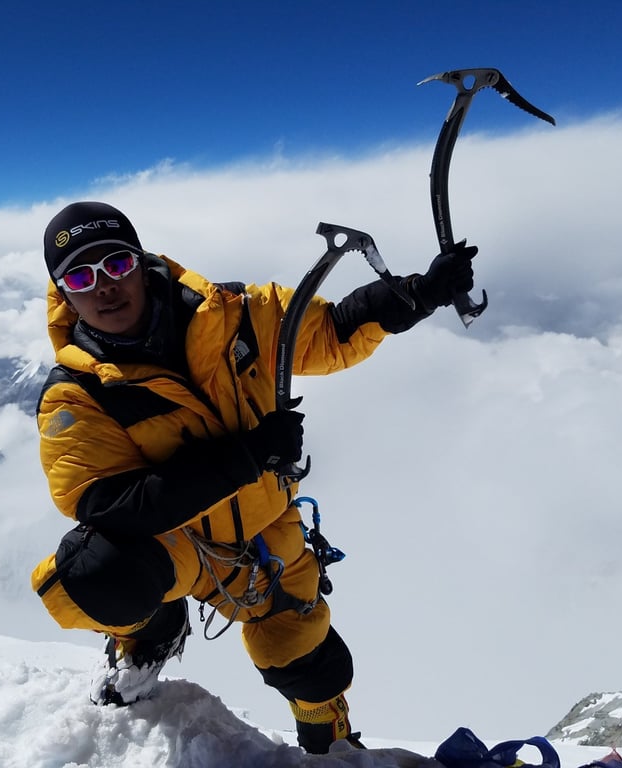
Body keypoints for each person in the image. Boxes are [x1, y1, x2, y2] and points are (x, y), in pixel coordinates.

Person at [31, 201, 476, 754]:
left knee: (305, 653)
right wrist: (244, 457)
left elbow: (329, 330)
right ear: (62, 292)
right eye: (80, 275)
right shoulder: (76, 394)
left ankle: (328, 739)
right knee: (95, 571)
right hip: (178, 542)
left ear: (141, 262)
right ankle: (148, 631)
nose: (103, 287)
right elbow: (109, 504)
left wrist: (417, 294)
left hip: (264, 532)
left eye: (115, 264)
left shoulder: (236, 314)